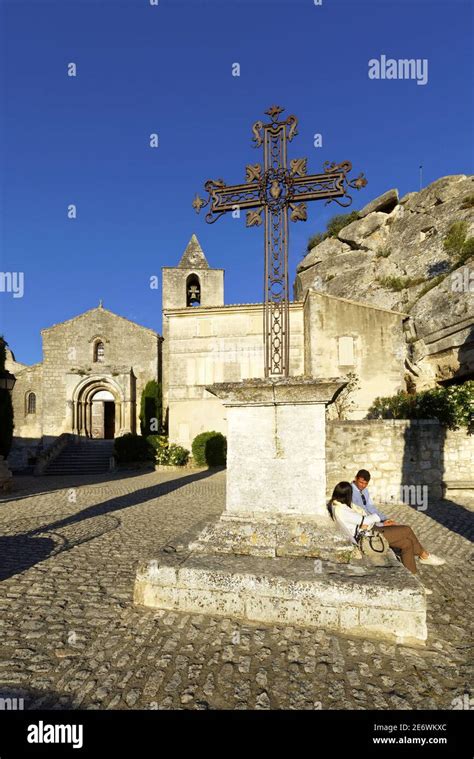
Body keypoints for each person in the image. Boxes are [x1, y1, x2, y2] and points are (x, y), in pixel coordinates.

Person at [329, 479, 445, 587]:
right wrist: (377, 518)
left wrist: (379, 523)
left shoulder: (336, 505)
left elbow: (363, 521)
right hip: (369, 536)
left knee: (407, 543)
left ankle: (413, 581)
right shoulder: (342, 510)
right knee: (406, 530)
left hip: (370, 530)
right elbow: (366, 520)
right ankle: (424, 555)